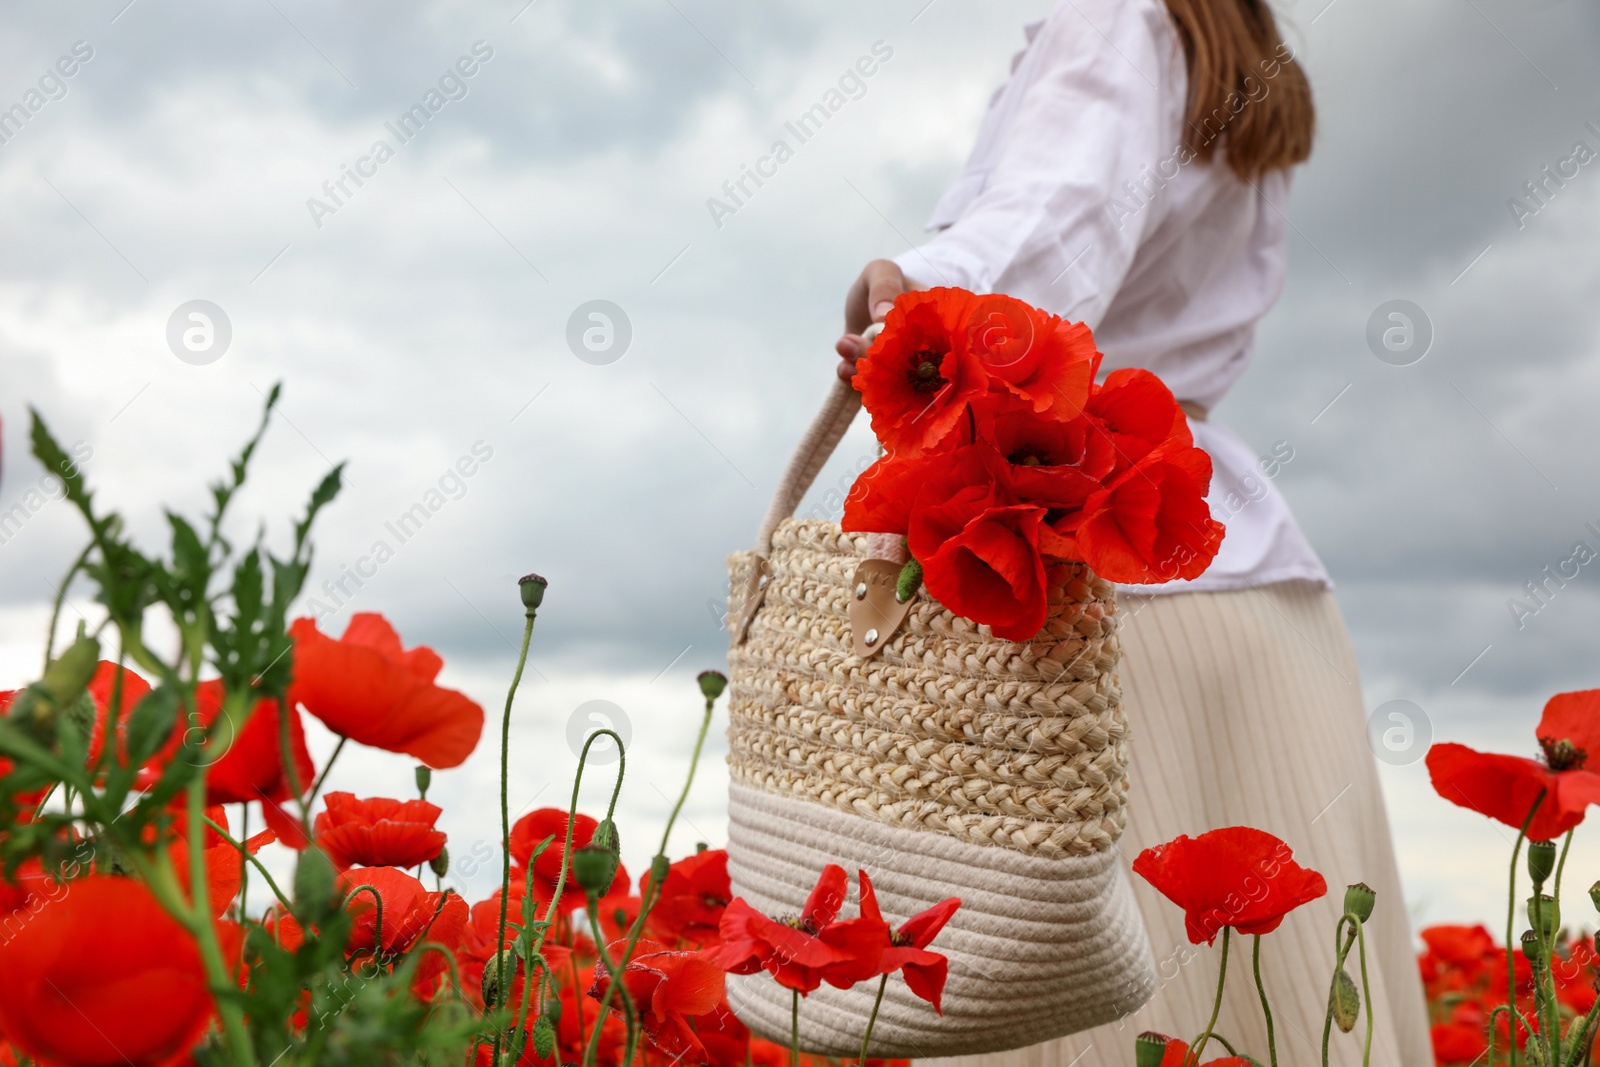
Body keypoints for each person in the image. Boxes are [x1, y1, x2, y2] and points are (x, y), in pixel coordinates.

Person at [833, 1, 1433, 1064]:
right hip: (1237, 568)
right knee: (1279, 1003)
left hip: (1092, 575)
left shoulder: (1113, 18)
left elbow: (1056, 226)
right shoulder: (1233, 45)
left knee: (1074, 1005)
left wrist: (919, 299)